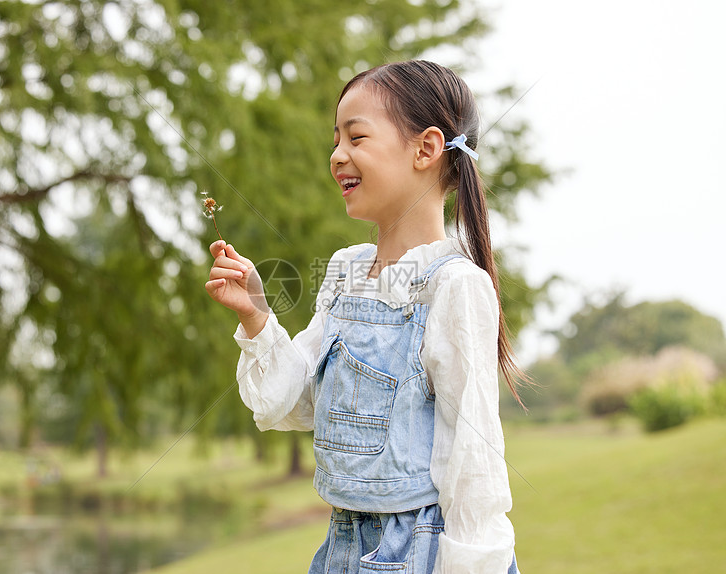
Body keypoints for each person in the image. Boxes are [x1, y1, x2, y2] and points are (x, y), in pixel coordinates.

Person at [205, 60, 523, 574]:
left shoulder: (454, 285)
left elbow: (473, 460)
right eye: (335, 140)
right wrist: (257, 316)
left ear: (426, 149)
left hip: (417, 552)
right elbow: (297, 404)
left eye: (356, 137)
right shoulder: (345, 269)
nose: (337, 156)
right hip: (341, 547)